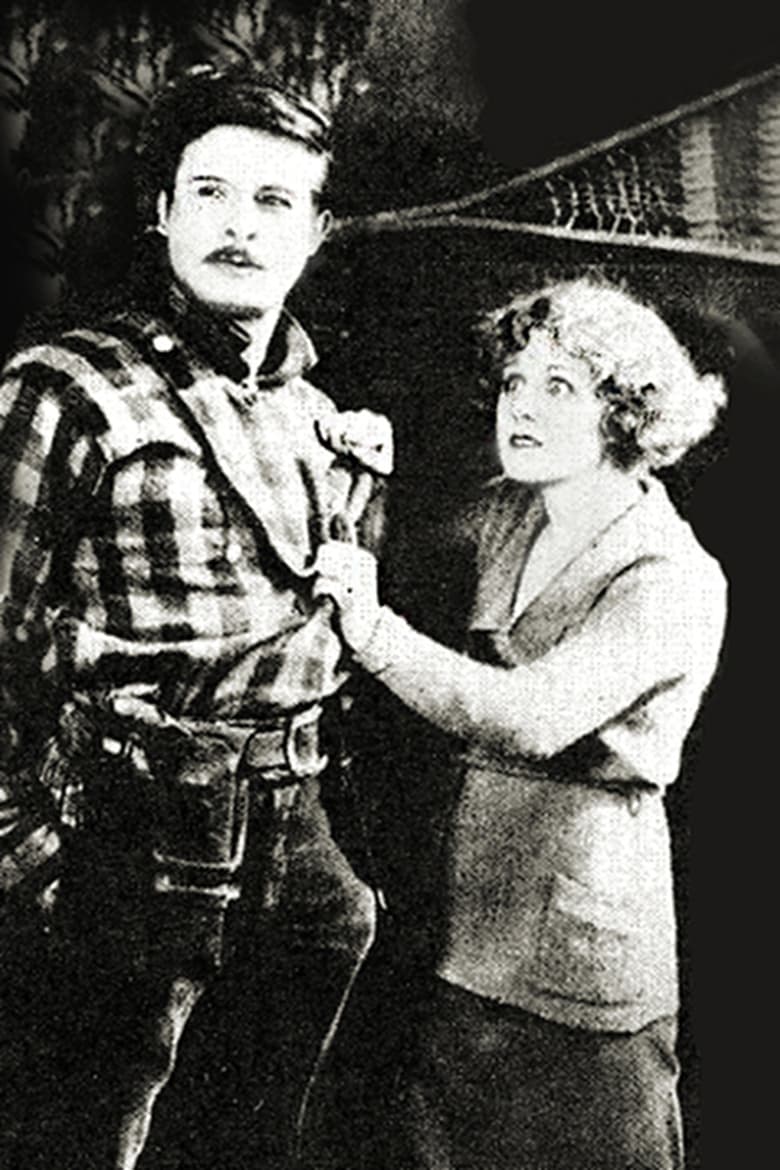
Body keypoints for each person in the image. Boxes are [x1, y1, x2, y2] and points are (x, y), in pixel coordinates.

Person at [0, 62, 391, 1170]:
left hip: (299, 838)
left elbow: (326, 623)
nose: (239, 226)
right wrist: (29, 856)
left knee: (248, 1144)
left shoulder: (319, 415)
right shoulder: (68, 388)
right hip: (125, 846)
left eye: (274, 201)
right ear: (164, 211)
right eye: (211, 193)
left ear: (315, 233)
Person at [311, 278, 728, 1170]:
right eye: (514, 382)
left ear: (625, 413)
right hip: (465, 930)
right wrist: (366, 473)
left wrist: (373, 633)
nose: (522, 407)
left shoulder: (673, 575)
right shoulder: (514, 509)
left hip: (584, 959)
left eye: (559, 387)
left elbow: (533, 718)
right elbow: (389, 551)